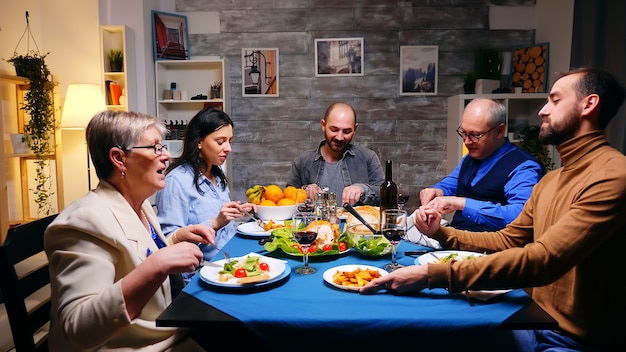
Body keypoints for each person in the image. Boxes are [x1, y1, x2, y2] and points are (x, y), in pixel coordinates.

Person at [361, 67, 626, 351]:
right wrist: (441, 233)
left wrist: (432, 276)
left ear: (589, 104)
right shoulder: (552, 180)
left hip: (570, 339)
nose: (543, 111)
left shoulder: (613, 175)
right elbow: (507, 240)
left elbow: (543, 259)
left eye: (555, 100)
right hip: (527, 317)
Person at [44, 111, 215, 351]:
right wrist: (158, 265)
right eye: (155, 147)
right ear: (119, 158)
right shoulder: (84, 221)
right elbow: (78, 330)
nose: (166, 155)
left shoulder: (140, 204)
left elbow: (135, 253)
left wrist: (176, 238)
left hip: (170, 331)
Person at [419, 98, 543, 231]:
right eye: (464, 133)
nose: (466, 141)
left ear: (499, 131)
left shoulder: (524, 167)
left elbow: (520, 215)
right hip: (457, 239)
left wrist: (461, 204)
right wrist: (438, 190)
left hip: (494, 248)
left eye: (475, 135)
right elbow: (453, 182)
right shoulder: (470, 157)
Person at [156, 107, 256, 266]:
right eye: (220, 142)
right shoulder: (176, 181)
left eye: (230, 141)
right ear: (199, 141)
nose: (228, 148)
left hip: (232, 262)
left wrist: (238, 213)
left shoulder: (217, 175)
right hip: (202, 273)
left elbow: (224, 231)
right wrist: (215, 223)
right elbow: (167, 243)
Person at [287, 102, 385, 205]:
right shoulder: (303, 161)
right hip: (317, 222)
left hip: (356, 221)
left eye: (346, 132)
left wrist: (363, 189)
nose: (339, 137)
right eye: (334, 130)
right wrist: (305, 192)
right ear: (323, 125)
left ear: (355, 129)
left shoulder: (368, 157)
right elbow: (287, 200)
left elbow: (386, 196)